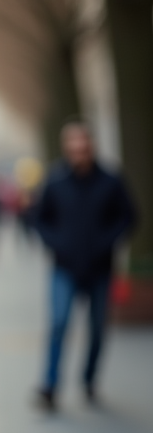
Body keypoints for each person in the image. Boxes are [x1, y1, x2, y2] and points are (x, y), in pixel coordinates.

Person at [33, 122, 136, 409]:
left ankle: (89, 380)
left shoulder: (111, 181)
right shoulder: (54, 181)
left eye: (84, 144)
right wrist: (56, 243)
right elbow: (39, 218)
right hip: (63, 268)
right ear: (67, 147)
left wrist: (107, 242)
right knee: (58, 324)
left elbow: (129, 216)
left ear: (92, 145)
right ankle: (50, 387)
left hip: (101, 269)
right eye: (74, 145)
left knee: (98, 329)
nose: (79, 150)